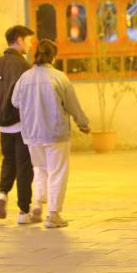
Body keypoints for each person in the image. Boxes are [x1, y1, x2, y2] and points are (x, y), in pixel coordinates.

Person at [12, 40, 90, 228]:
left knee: (40, 169)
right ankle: (53, 214)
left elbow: (15, 101)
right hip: (55, 133)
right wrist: (83, 124)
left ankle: (38, 205)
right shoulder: (59, 77)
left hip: (32, 134)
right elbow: (72, 105)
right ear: (54, 56)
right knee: (57, 171)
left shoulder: (25, 77)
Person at [0, 25, 36, 224]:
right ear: (19, 40)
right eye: (29, 41)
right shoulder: (23, 66)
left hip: (2, 126)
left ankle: (2, 194)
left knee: (8, 160)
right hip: (21, 125)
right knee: (24, 166)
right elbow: (28, 98)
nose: (30, 45)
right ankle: (23, 212)